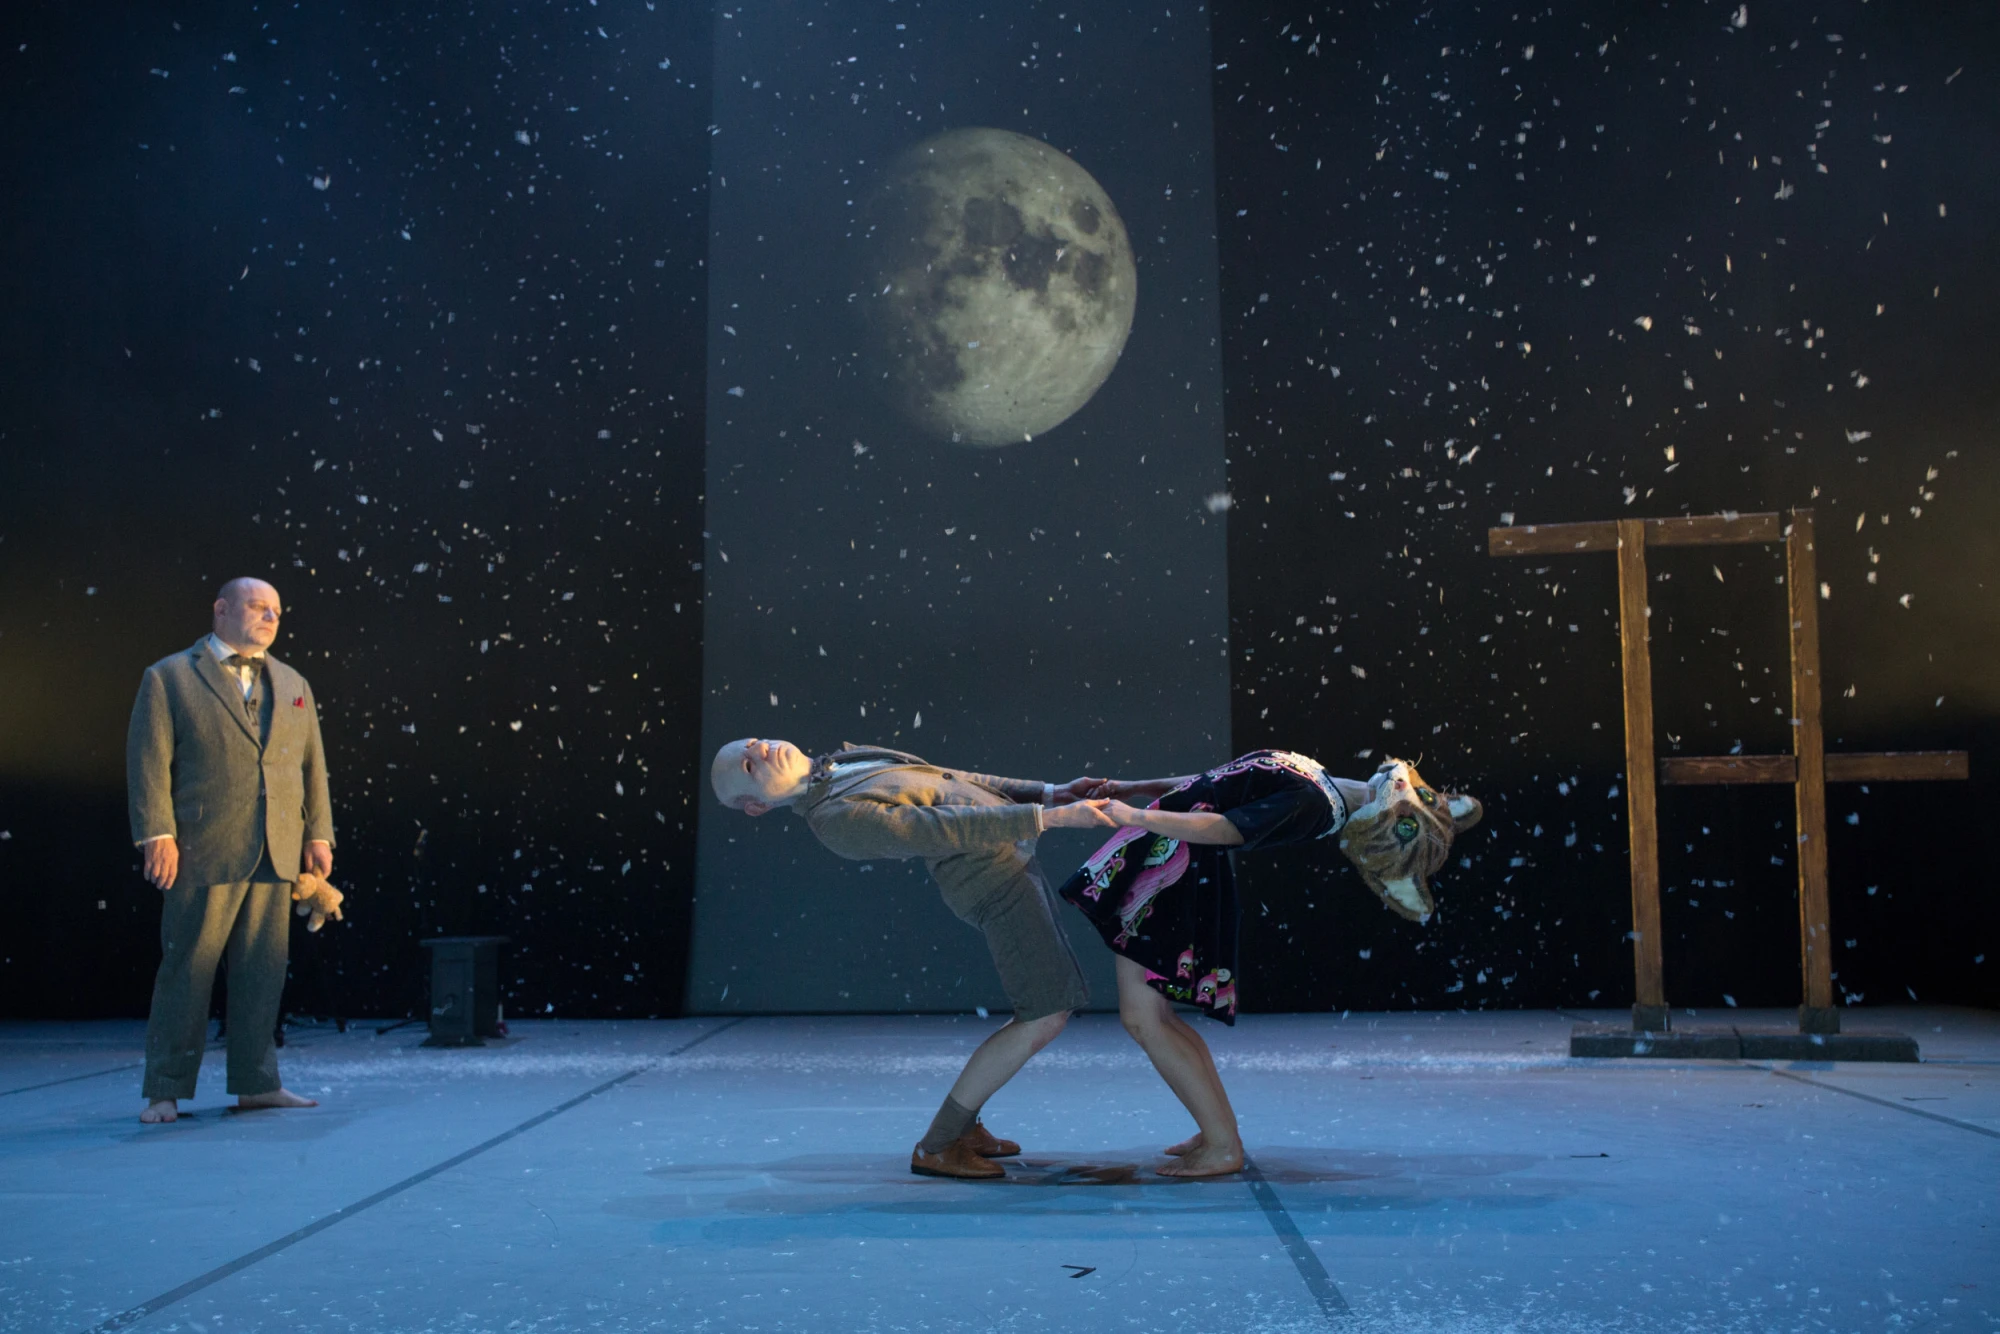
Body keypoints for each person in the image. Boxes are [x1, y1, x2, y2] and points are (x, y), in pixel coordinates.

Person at [710, 738, 1116, 1179]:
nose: (762, 752)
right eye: (749, 767)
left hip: (1007, 861)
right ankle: (938, 1145)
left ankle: (962, 1128)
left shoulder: (843, 763)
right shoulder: (836, 818)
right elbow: (939, 826)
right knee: (1046, 1011)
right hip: (993, 883)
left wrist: (1049, 792)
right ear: (757, 807)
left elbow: (951, 782)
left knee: (1045, 1007)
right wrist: (1047, 817)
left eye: (754, 743)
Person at [1061, 752, 1482, 1176]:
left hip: (1172, 874)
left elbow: (1225, 828)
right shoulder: (1318, 779)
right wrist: (1139, 789)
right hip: (1168, 857)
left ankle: (1223, 1142)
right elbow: (1215, 782)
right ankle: (1218, 1132)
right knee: (1153, 1019)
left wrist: (1134, 814)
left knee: (1145, 1019)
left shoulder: (1314, 803)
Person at [127, 578, 336, 1124]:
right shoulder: (170, 677)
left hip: (277, 846)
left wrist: (318, 834)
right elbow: (149, 763)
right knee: (188, 968)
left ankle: (256, 1083)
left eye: (276, 610)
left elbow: (311, 765)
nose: (269, 617)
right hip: (203, 845)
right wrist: (157, 833)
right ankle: (166, 1089)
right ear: (221, 610)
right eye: (256, 606)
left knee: (263, 970)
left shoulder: (292, 682)